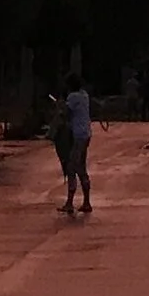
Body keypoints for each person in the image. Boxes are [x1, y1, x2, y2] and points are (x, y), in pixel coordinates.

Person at [63, 77, 93, 216]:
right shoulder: (84, 95)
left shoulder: (73, 97)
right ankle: (86, 201)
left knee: (71, 167)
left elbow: (66, 114)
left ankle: (70, 203)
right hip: (86, 134)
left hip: (78, 135)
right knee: (81, 166)